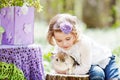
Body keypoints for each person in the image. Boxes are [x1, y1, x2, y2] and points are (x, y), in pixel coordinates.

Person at [47, 13, 120, 80]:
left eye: (68, 39)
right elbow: (57, 64)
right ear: (53, 37)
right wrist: (58, 69)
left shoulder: (83, 43)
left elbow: (85, 68)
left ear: (75, 33)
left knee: (113, 78)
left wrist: (68, 72)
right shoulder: (59, 47)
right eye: (59, 41)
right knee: (97, 74)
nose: (64, 44)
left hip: (105, 61)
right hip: (90, 65)